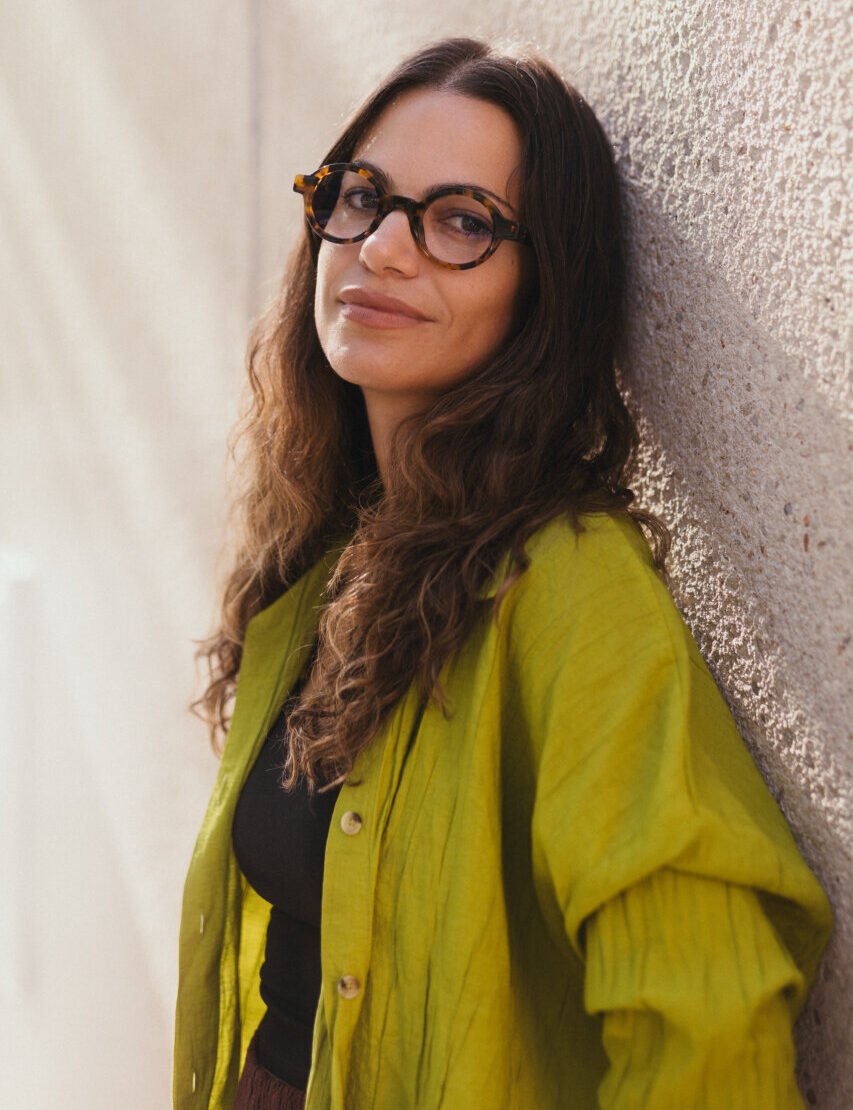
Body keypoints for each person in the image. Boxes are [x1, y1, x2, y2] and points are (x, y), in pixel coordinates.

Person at [173, 37, 832, 1110]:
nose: (385, 247)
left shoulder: (569, 586)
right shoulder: (322, 568)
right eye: (363, 196)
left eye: (461, 221)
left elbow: (706, 1018)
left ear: (543, 289)